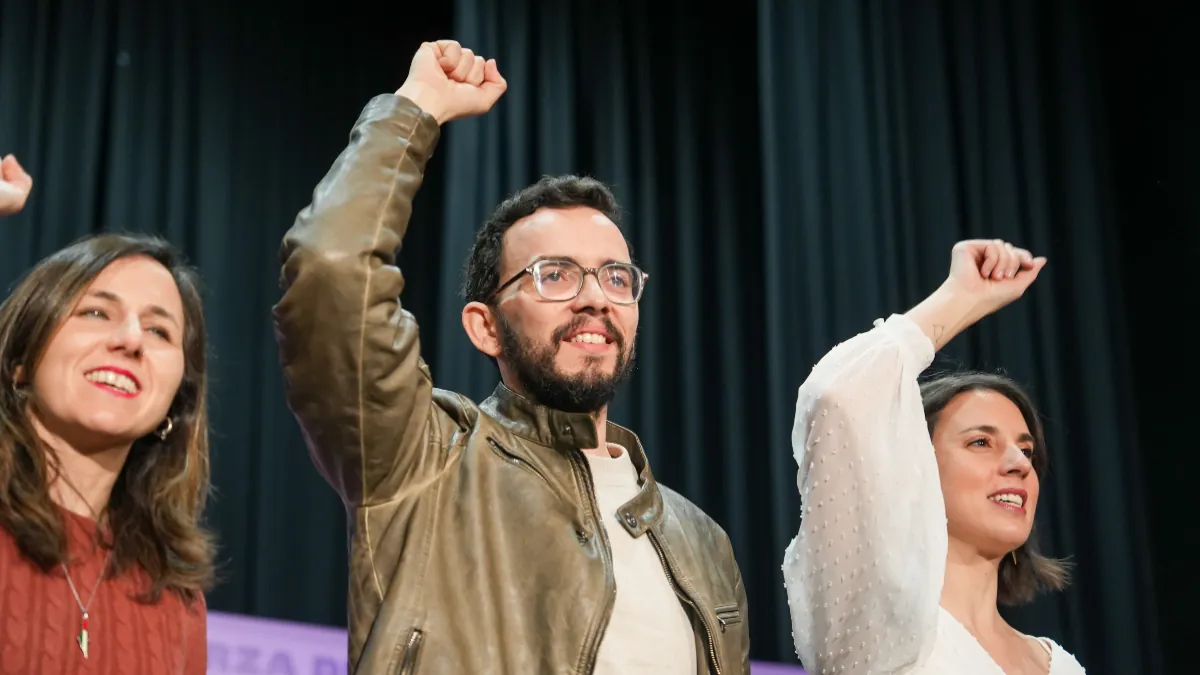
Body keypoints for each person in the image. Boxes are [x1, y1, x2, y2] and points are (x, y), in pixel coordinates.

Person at [273, 40, 750, 674]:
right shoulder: (423, 461)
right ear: (485, 327)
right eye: (555, 275)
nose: (594, 300)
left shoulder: (702, 542)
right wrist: (414, 111)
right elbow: (331, 270)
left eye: (615, 277)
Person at [782, 239, 1086, 674]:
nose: (1020, 464)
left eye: (1026, 450)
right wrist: (960, 298)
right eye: (981, 442)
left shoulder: (1061, 663)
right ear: (917, 470)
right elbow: (838, 393)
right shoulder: (879, 626)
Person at [0, 157, 213, 674]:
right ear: (21, 362)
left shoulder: (176, 599)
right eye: (97, 312)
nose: (132, 340)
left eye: (161, 331)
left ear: (175, 404)